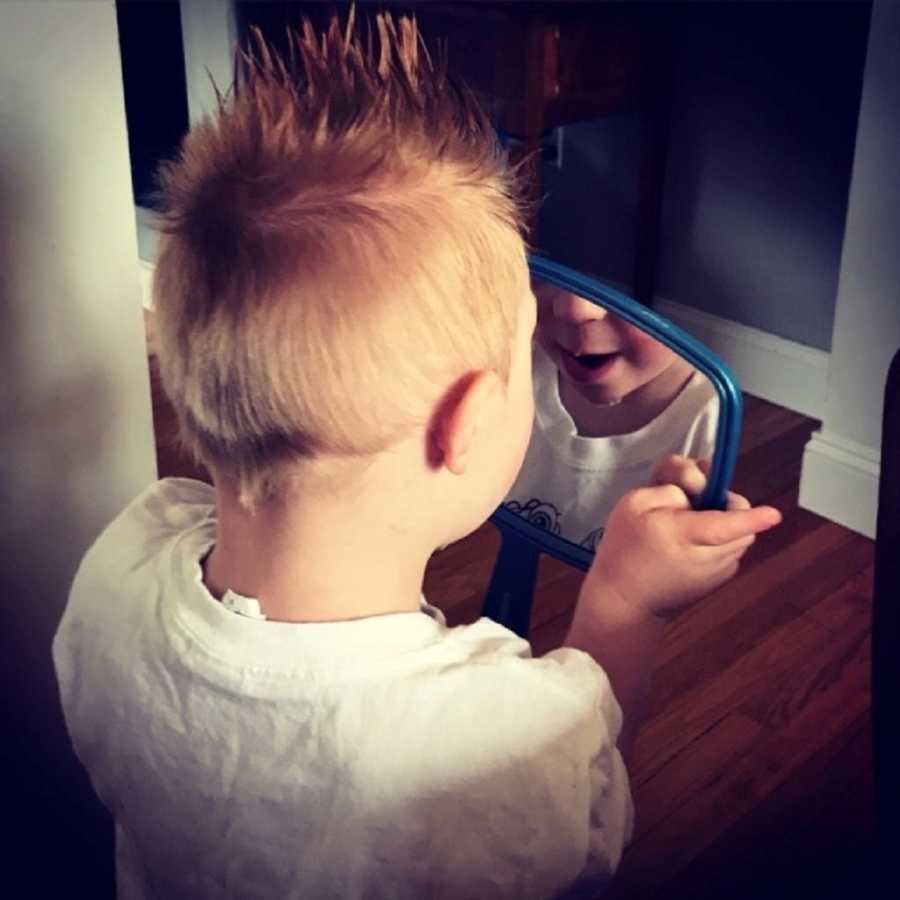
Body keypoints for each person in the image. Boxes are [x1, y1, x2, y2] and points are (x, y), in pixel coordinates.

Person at [52, 12, 780, 900]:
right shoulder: (482, 746)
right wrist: (625, 605)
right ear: (466, 422)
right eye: (525, 355)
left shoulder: (120, 557)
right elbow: (591, 821)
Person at [505, 280, 719, 550]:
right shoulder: (512, 364)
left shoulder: (715, 432)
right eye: (551, 256)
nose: (574, 309)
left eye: (618, 277)